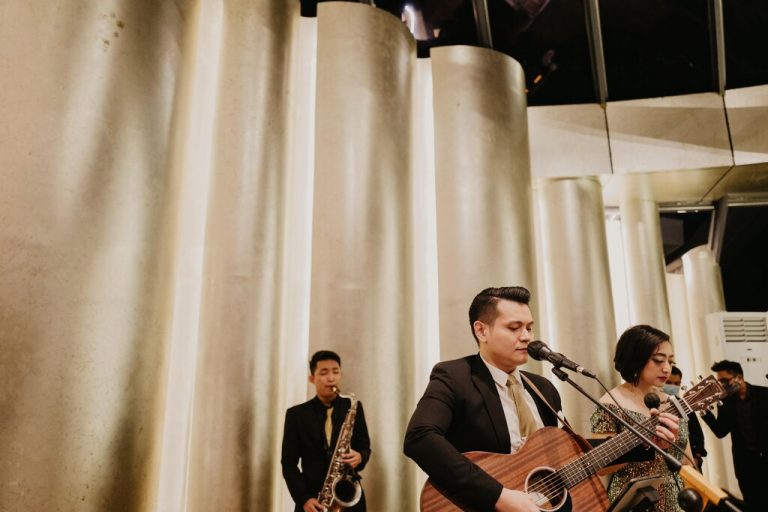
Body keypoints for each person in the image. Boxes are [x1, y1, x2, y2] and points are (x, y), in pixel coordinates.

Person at [403, 287, 679, 512]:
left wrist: (645, 441)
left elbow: (576, 456)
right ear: (481, 330)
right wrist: (498, 495)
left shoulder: (543, 389)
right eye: (514, 328)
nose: (526, 337)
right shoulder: (455, 376)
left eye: (529, 328)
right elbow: (420, 438)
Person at [590, 325, 693, 512]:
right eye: (658, 360)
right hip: (635, 502)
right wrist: (642, 443)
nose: (667, 368)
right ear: (636, 358)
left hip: (677, 501)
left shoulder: (673, 402)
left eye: (671, 361)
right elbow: (600, 467)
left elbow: (688, 461)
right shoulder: (610, 403)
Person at [281, 350, 371, 512]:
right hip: (313, 499)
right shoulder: (296, 415)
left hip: (348, 495)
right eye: (324, 373)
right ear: (312, 378)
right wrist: (304, 498)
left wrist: (360, 457)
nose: (331, 378)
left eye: (336, 372)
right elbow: (288, 463)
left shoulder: (353, 406)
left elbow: (364, 447)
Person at [701, 360, 768, 512]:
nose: (722, 385)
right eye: (719, 382)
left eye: (725, 380)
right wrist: (704, 411)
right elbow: (721, 431)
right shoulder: (725, 401)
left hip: (766, 459)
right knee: (752, 503)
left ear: (739, 377)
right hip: (745, 464)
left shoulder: (764, 394)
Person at [664, 366, 707, 469]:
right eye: (669, 382)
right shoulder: (652, 402)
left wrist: (696, 459)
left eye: (676, 383)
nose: (673, 387)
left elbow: (698, 435)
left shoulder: (684, 404)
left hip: (688, 463)